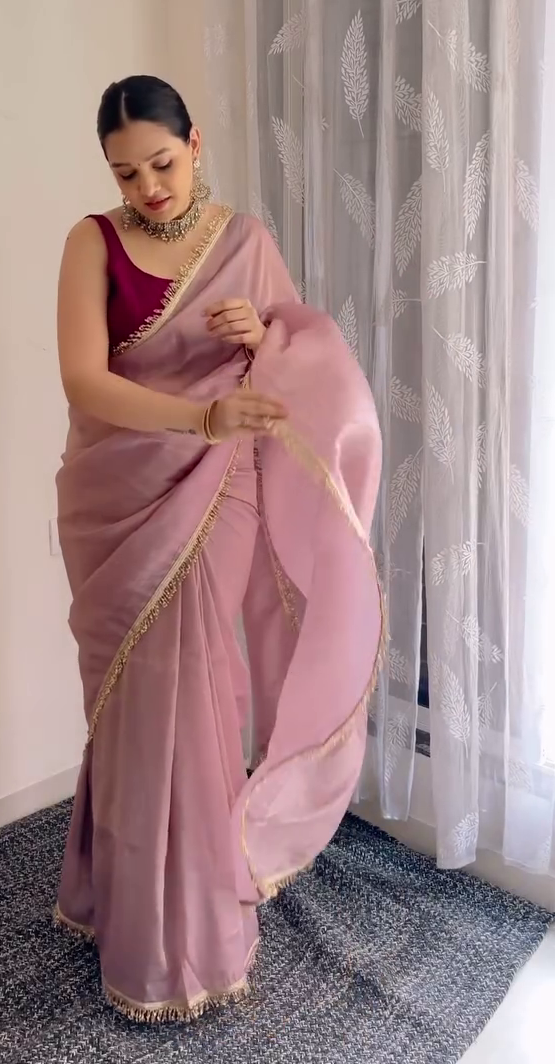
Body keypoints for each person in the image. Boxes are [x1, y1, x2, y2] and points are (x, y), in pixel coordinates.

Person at [54, 75, 383, 1022]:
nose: (149, 187)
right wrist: (198, 414)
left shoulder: (245, 242)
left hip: (218, 488)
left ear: (194, 143)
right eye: (126, 173)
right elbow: (83, 380)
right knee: (133, 700)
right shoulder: (91, 242)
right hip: (116, 494)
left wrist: (264, 331)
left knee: (193, 689)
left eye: (162, 163)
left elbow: (301, 368)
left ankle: (188, 933)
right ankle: (123, 905)